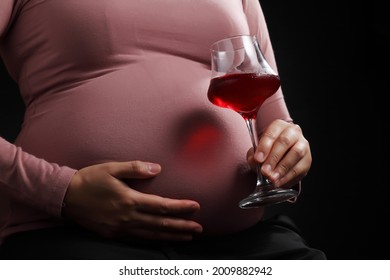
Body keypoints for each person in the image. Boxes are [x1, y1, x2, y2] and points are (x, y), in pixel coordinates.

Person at [0, 0, 326, 259]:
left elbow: (274, 115)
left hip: (248, 245)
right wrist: (61, 192)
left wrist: (289, 148)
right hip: (71, 236)